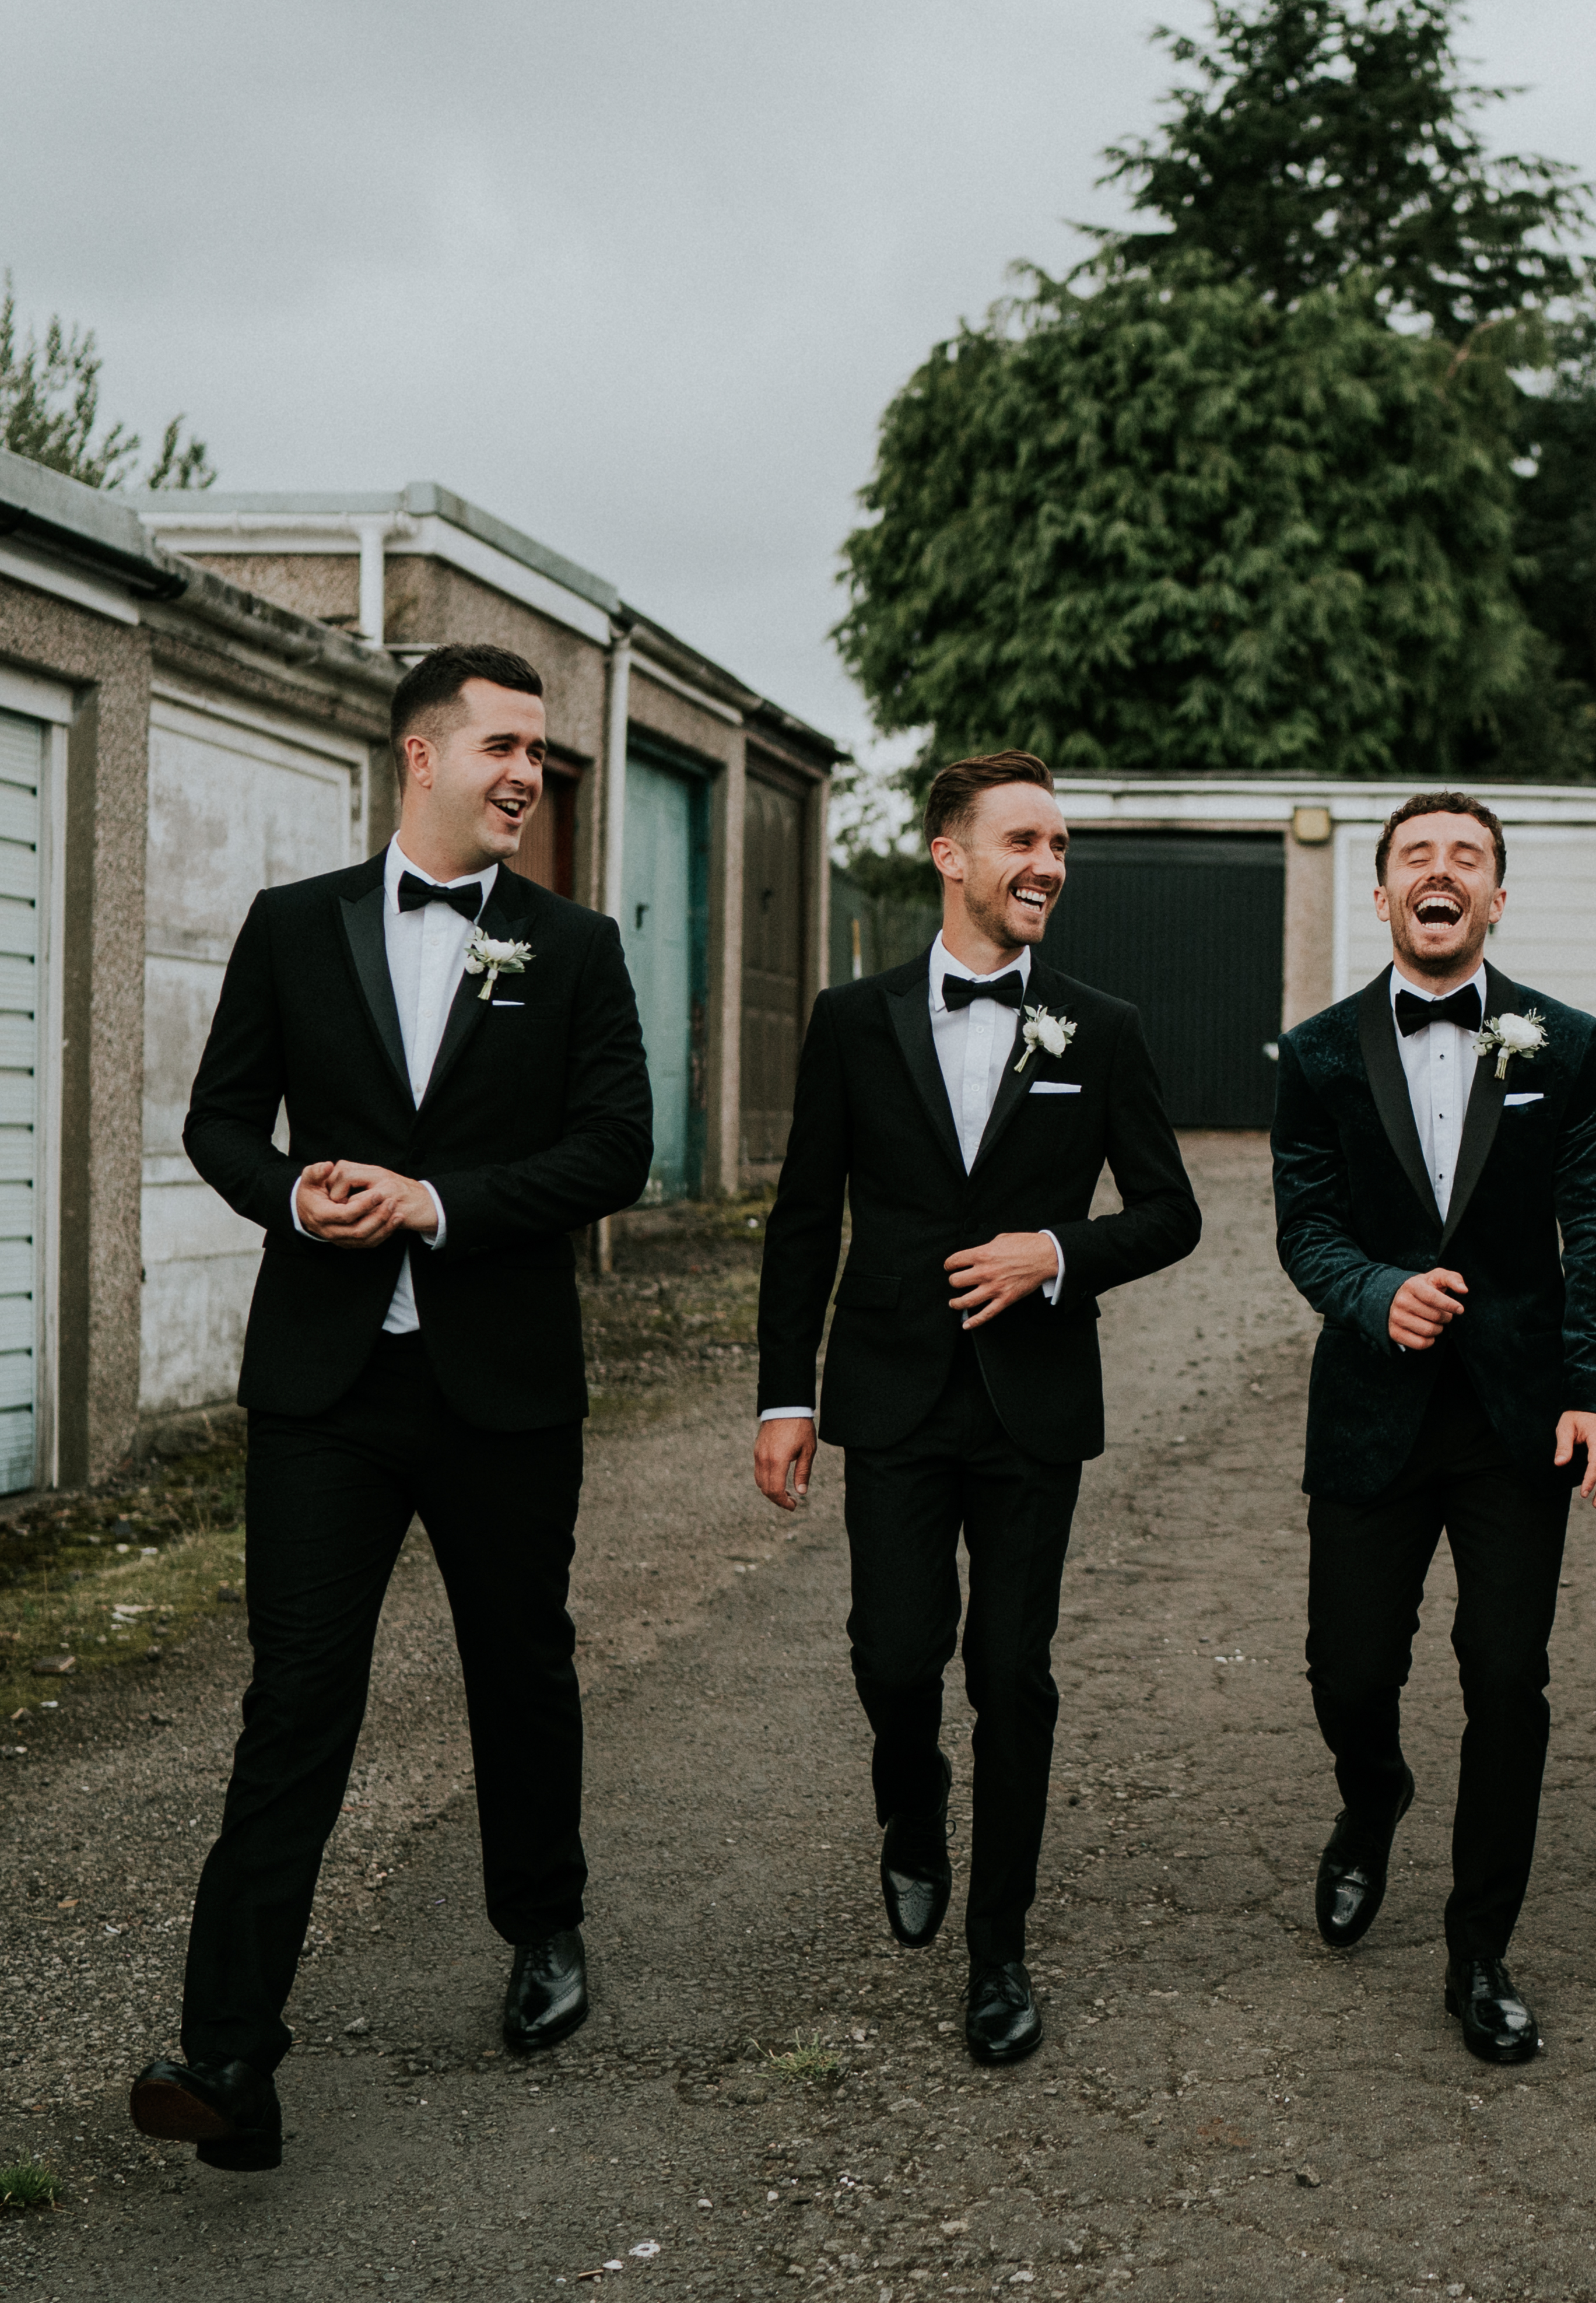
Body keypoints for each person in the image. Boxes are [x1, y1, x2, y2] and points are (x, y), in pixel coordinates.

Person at [132, 643, 652, 2172]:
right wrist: (295, 1188)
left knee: (520, 1663)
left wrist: (441, 1199)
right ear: (417, 755)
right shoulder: (291, 928)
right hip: (324, 1388)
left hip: (501, 1384)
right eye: (500, 744)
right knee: (296, 1700)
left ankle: (543, 1922)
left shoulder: (575, 946)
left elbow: (614, 1147)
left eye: (536, 754)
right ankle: (229, 2052)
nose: (524, 775)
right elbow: (219, 1119)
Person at [753, 750, 1198, 2066]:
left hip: (1031, 1406)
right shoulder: (850, 1019)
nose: (1047, 864)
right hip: (889, 1393)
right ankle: (910, 1802)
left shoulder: (1100, 1026)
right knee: (897, 1656)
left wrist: (1052, 1253)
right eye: (1022, 840)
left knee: (1012, 1672)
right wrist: (785, 1395)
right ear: (950, 854)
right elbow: (800, 1221)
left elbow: (1170, 1211)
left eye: (1059, 843)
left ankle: (998, 1948)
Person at [1268, 792, 1596, 2065]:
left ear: (1494, 895)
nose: (1442, 872)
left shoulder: (1567, 1045)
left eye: (1466, 857)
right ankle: (1372, 1798)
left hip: (1513, 1415)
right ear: (1381, 897)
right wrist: (1376, 1294)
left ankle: (1480, 1951)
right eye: (1416, 856)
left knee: (1505, 1677)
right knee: (1350, 1672)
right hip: (1372, 1408)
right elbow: (1305, 1230)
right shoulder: (1314, 1055)